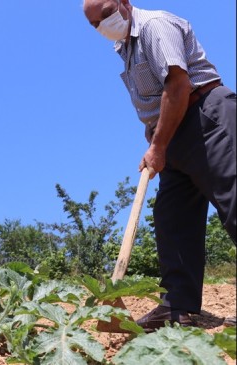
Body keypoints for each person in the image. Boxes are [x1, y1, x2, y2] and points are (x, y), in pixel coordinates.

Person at [82, 0, 236, 331]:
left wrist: (159, 144)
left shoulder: (154, 26)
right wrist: (155, 137)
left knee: (233, 200)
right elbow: (155, 101)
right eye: (94, 23)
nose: (102, 25)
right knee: (172, 218)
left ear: (123, 3)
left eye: (106, 13)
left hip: (205, 117)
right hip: (175, 133)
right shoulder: (124, 48)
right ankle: (179, 308)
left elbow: (178, 86)